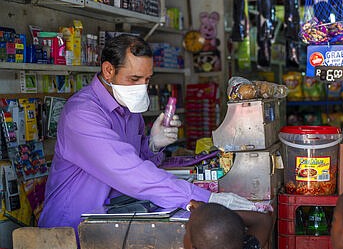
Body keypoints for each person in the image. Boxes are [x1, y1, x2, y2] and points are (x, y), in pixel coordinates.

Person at [39, 34, 266, 235]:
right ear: (108, 70)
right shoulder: (82, 114)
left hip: (110, 217)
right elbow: (128, 172)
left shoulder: (128, 108)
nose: (141, 87)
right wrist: (205, 198)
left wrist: (154, 145)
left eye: (147, 79)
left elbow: (138, 160)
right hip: (71, 228)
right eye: (134, 79)